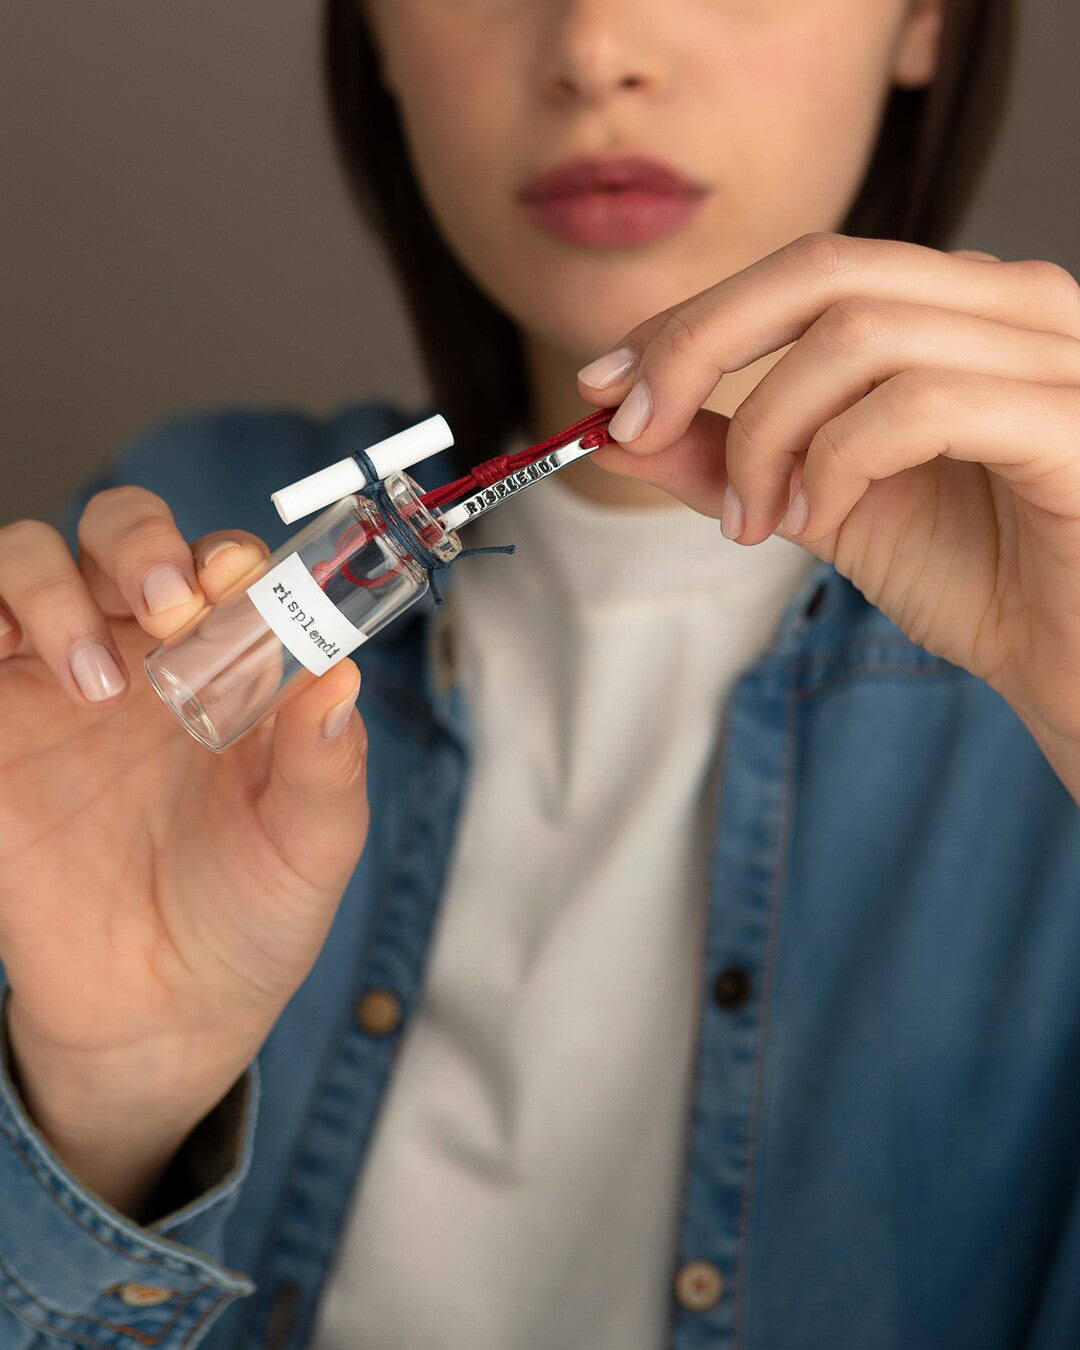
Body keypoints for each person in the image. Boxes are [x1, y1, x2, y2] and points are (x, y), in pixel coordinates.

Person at [1, 0, 1079, 1345]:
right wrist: (104, 1115)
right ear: (376, 36)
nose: (596, 45)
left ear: (926, 21)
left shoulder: (1056, 671)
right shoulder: (157, 590)